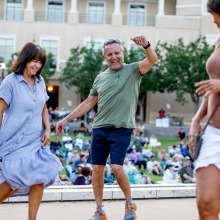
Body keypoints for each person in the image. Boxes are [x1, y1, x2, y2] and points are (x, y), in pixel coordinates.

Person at [56, 35, 158, 220]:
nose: (114, 57)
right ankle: (100, 210)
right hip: (99, 128)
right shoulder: (100, 78)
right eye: (109, 54)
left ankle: (130, 204)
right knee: (97, 169)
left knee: (117, 167)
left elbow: (153, 60)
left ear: (123, 53)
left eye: (117, 53)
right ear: (105, 57)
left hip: (121, 128)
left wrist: (146, 46)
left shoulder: (133, 70)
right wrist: (66, 119)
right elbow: (88, 103)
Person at [0, 42, 62, 220]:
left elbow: (43, 106)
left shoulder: (40, 81)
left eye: (40, 62)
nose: (37, 65)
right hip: (14, 141)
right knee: (14, 182)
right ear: (25, 59)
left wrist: (48, 130)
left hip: (36, 140)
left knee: (39, 177)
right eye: (34, 61)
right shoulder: (10, 82)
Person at [189, 1, 220, 219]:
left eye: (216, 15)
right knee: (206, 205)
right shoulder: (219, 41)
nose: (214, 21)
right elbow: (212, 83)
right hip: (214, 133)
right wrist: (197, 118)